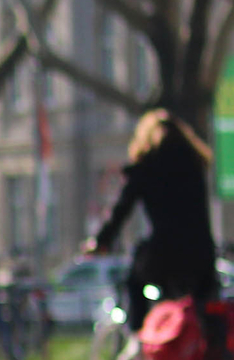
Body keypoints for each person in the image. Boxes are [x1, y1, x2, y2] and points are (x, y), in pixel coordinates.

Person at [92, 109, 219, 334]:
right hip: (202, 254)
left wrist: (101, 241)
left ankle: (140, 338)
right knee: (205, 305)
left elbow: (121, 210)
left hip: (164, 255)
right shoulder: (195, 164)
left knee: (134, 282)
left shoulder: (146, 166)